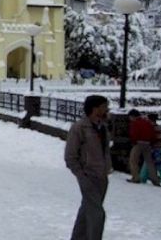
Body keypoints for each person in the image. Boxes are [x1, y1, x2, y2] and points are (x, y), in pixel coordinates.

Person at [64, 95, 111, 240]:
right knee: (97, 214)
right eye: (104, 106)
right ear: (94, 108)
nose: (106, 109)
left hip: (102, 176)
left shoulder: (102, 127)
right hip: (87, 176)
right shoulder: (79, 127)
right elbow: (70, 155)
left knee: (87, 211)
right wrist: (80, 174)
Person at [126, 109, 159, 186]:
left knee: (133, 161)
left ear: (133, 116)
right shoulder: (147, 122)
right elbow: (153, 134)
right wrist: (151, 142)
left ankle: (135, 178)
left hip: (138, 143)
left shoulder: (135, 123)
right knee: (149, 162)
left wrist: (133, 141)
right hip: (148, 144)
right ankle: (155, 180)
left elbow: (133, 134)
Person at [139, 114, 161, 188]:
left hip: (152, 149)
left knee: (155, 166)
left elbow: (149, 139)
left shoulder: (151, 128)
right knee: (155, 165)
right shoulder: (159, 127)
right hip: (159, 149)